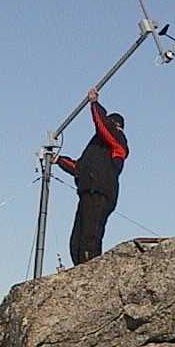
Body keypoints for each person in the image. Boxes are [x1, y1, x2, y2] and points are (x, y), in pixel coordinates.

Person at [53, 87, 129, 265]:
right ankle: (81, 271)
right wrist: (58, 160)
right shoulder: (95, 148)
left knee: (90, 237)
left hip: (100, 193)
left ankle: (91, 270)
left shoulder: (118, 141)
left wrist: (94, 104)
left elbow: (104, 128)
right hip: (88, 192)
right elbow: (79, 167)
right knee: (76, 241)